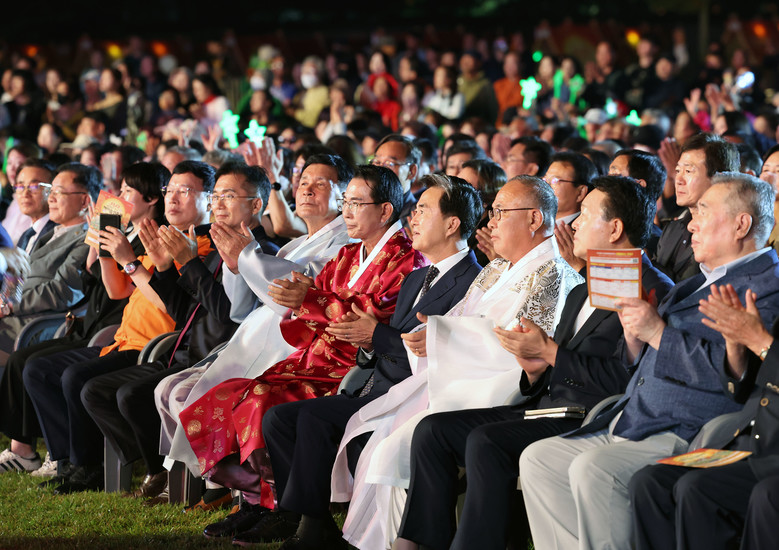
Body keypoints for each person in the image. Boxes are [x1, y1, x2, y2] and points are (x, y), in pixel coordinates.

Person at [392, 176, 674, 550]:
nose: (573, 224)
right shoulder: (584, 286)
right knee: (434, 431)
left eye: (585, 215)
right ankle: (417, 542)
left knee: (486, 441)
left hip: (589, 415)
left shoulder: (649, 289)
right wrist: (534, 367)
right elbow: (551, 364)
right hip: (547, 403)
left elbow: (627, 381)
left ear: (615, 229)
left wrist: (550, 353)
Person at [520, 172, 779, 550]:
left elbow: (731, 377)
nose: (691, 224)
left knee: (594, 470)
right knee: (539, 460)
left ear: (741, 225)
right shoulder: (698, 281)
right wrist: (635, 338)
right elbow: (636, 364)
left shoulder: (765, 287)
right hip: (631, 415)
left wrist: (657, 332)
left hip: (688, 427)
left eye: (703, 212)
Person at [333, 175, 584, 549]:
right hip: (458, 376)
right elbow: (461, 317)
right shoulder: (496, 268)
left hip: (500, 389)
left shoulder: (556, 275)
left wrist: (441, 337)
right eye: (491, 212)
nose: (491, 222)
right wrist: (431, 334)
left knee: (404, 438)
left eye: (501, 212)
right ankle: (399, 540)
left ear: (534, 219)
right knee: (385, 436)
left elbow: (525, 348)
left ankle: (407, 542)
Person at [178, 164, 426, 519]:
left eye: (356, 204)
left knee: (261, 399)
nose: (347, 212)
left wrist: (310, 300)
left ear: (385, 210)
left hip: (353, 368)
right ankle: (257, 498)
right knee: (226, 396)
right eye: (345, 202)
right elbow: (311, 302)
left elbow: (374, 314)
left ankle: (278, 507)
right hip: (314, 358)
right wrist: (303, 303)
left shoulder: (408, 258)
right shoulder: (347, 254)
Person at [254, 175, 483, 548]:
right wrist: (366, 339)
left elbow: (433, 352)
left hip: (413, 397)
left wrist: (374, 335)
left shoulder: (473, 282)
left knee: (313, 417)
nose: (413, 218)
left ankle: (310, 530)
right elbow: (386, 340)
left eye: (424, 210)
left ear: (452, 224)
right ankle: (310, 518)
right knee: (279, 418)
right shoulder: (419, 277)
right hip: (377, 384)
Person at [80, 161, 278, 501]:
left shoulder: (262, 252)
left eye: (228, 196)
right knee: (100, 390)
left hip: (223, 359)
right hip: (188, 350)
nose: (218, 204)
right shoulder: (218, 245)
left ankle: (194, 480)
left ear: (256, 204)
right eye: (216, 196)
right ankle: (161, 471)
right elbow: (186, 312)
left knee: (134, 394)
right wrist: (164, 267)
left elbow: (228, 316)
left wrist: (188, 263)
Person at [155, 154, 354, 483]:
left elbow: (299, 292)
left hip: (291, 354)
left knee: (193, 397)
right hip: (252, 344)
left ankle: (247, 486)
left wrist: (246, 259)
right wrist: (237, 265)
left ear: (344, 194)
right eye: (303, 182)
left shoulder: (345, 244)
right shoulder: (294, 246)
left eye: (320, 184)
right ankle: (229, 484)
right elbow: (239, 308)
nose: (307, 190)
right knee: (174, 392)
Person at [23, 161, 215, 494]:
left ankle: (96, 465)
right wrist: (103, 247)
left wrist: (129, 260)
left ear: (208, 199)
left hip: (153, 344)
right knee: (39, 369)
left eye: (184, 191)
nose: (173, 198)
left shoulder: (200, 247)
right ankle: (73, 461)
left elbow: (168, 304)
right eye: (170, 190)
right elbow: (118, 290)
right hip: (123, 339)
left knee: (77, 379)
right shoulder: (159, 238)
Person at [0, 162, 166, 475]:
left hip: (116, 329)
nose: (120, 197)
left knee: (42, 367)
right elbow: (95, 277)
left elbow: (112, 291)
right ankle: (60, 455)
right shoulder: (119, 232)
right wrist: (99, 244)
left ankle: (72, 459)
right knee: (33, 365)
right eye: (120, 190)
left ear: (152, 198)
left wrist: (112, 251)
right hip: (95, 322)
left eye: (127, 190)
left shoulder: (153, 239)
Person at [628, 283, 779, 550]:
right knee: (649, 482)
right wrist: (735, 346)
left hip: (772, 452)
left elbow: (768, 353)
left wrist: (760, 342)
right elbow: (742, 390)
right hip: (748, 440)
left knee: (696, 488)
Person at [0, 163, 101, 365]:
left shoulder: (87, 240)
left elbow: (63, 290)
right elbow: (19, 275)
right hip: (12, 315)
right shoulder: (49, 234)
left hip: (36, 323)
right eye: (51, 191)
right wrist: (4, 300)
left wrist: (9, 306)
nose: (51, 198)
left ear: (84, 200)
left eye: (59, 192)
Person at [653, 132, 739, 282]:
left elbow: (690, 288)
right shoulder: (673, 227)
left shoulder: (725, 236)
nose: (678, 179)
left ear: (718, 178)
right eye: (678, 170)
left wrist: (641, 261)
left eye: (688, 171)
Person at [12, 159, 56, 254]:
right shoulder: (26, 235)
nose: (25, 193)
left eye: (34, 186)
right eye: (20, 186)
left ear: (52, 189)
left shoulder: (56, 233)